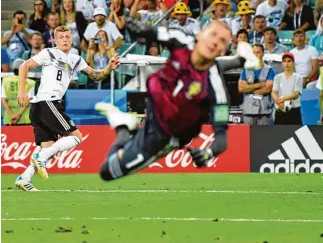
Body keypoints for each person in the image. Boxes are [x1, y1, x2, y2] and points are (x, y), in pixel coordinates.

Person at [94, 19, 261, 181]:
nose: (216, 41)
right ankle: (124, 126)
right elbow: (153, 32)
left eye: (222, 40)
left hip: (163, 136)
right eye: (213, 34)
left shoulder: (216, 87)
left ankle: (123, 127)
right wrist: (137, 28)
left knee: (107, 171)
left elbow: (221, 139)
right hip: (152, 108)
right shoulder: (182, 40)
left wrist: (207, 154)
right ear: (201, 33)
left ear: (224, 50)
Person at [14, 26, 120, 191]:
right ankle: (39, 158)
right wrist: (22, 91)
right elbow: (24, 66)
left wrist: (108, 68)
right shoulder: (49, 53)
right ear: (55, 41)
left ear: (71, 39)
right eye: (61, 37)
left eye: (67, 37)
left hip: (43, 106)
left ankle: (24, 178)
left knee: (47, 148)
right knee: (76, 137)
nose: (64, 40)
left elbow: (95, 75)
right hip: (46, 102)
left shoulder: (75, 59)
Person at [238, 43, 275, 126]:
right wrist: (259, 85)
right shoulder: (245, 69)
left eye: (258, 52)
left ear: (263, 53)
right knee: (248, 137)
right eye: (253, 53)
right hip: (248, 110)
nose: (255, 55)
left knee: (264, 137)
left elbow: (267, 89)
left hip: (264, 111)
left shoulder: (270, 70)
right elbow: (241, 88)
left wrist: (249, 88)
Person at [1, 59, 36, 125]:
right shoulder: (31, 83)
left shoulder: (5, 81)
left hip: (10, 118)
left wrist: (13, 115)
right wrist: (18, 115)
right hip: (25, 118)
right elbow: (28, 101)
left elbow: (3, 100)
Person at [272, 52, 303, 125]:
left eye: (289, 61)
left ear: (293, 63)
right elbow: (274, 92)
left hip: (294, 111)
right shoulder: (277, 77)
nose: (286, 64)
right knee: (280, 135)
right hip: (280, 109)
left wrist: (282, 99)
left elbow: (296, 94)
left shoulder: (298, 77)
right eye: (284, 61)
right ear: (282, 63)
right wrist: (278, 101)